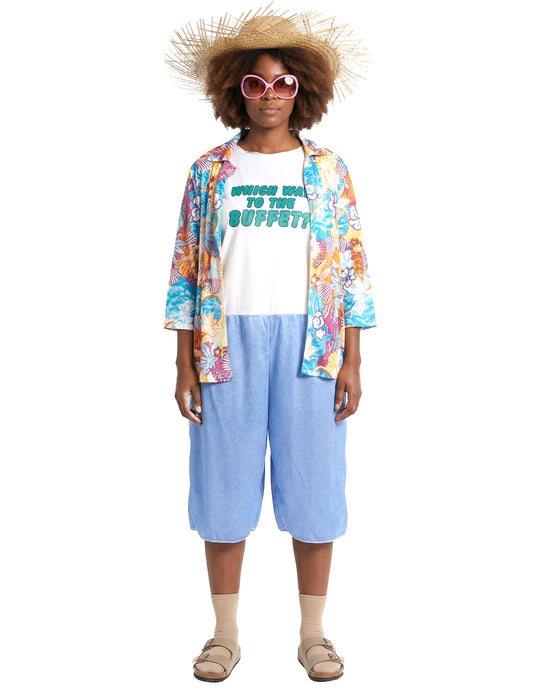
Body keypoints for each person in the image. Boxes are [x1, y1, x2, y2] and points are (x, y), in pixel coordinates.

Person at [163, 7, 376, 683]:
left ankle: (313, 634)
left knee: (315, 487)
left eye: (283, 83)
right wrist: (183, 362)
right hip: (223, 347)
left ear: (302, 91)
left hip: (313, 347)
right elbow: (187, 267)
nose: (269, 96)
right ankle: (224, 633)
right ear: (236, 90)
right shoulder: (209, 171)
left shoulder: (328, 170)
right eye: (255, 84)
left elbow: (350, 266)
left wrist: (353, 359)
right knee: (222, 489)